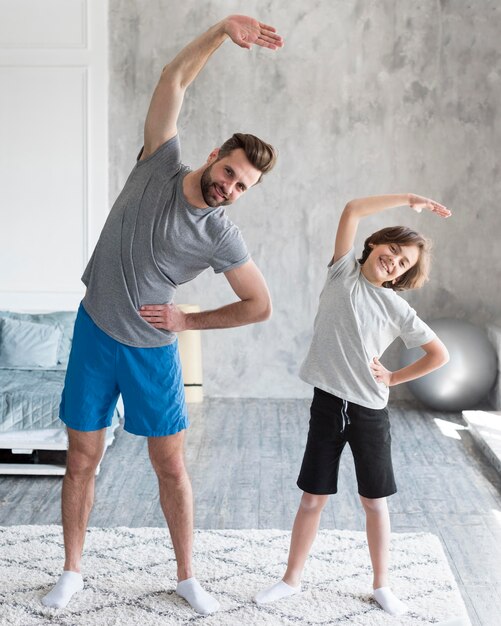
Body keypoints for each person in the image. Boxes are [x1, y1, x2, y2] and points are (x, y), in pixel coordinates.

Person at [42, 14, 283, 616]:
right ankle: (72, 570)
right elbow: (174, 79)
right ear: (214, 156)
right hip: (95, 331)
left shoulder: (222, 236)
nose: (230, 186)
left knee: (170, 464)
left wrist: (189, 322)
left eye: (243, 186)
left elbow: (261, 305)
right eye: (230, 171)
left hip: (152, 349)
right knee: (81, 459)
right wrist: (223, 31)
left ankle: (186, 575)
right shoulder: (158, 162)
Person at [255, 194, 451, 616]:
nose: (394, 263)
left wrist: (395, 378)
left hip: (370, 414)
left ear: (405, 276)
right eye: (393, 251)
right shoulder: (341, 272)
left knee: (374, 502)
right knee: (312, 498)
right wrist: (410, 200)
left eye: (403, 264)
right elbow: (351, 210)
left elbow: (440, 355)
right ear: (375, 244)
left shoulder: (397, 307)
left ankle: (382, 585)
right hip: (327, 406)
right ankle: (291, 579)